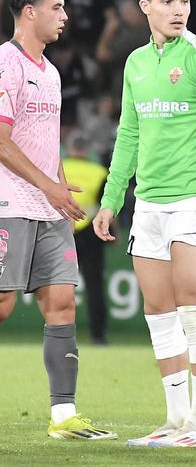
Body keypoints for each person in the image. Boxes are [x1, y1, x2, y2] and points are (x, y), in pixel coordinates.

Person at [95, 0, 196, 448]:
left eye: (183, 1)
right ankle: (176, 420)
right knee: (159, 315)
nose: (178, 10)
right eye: (167, 2)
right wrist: (110, 200)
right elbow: (128, 134)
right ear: (145, 6)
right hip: (147, 207)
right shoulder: (136, 63)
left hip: (193, 203)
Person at [0, 0, 114, 441]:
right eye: (57, 7)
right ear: (30, 12)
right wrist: (49, 185)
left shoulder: (51, 72)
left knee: (63, 302)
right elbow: (1, 141)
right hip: (9, 203)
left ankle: (64, 415)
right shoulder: (6, 63)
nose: (66, 16)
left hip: (49, 209)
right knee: (3, 303)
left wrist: (61, 185)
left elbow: (46, 142)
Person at [62, 131, 110, 345]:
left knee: (60, 283)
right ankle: (98, 335)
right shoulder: (99, 172)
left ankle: (58, 330)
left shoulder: (59, 168)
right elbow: (106, 206)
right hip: (91, 232)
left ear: (69, 148)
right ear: (88, 150)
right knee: (94, 285)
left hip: (63, 232)